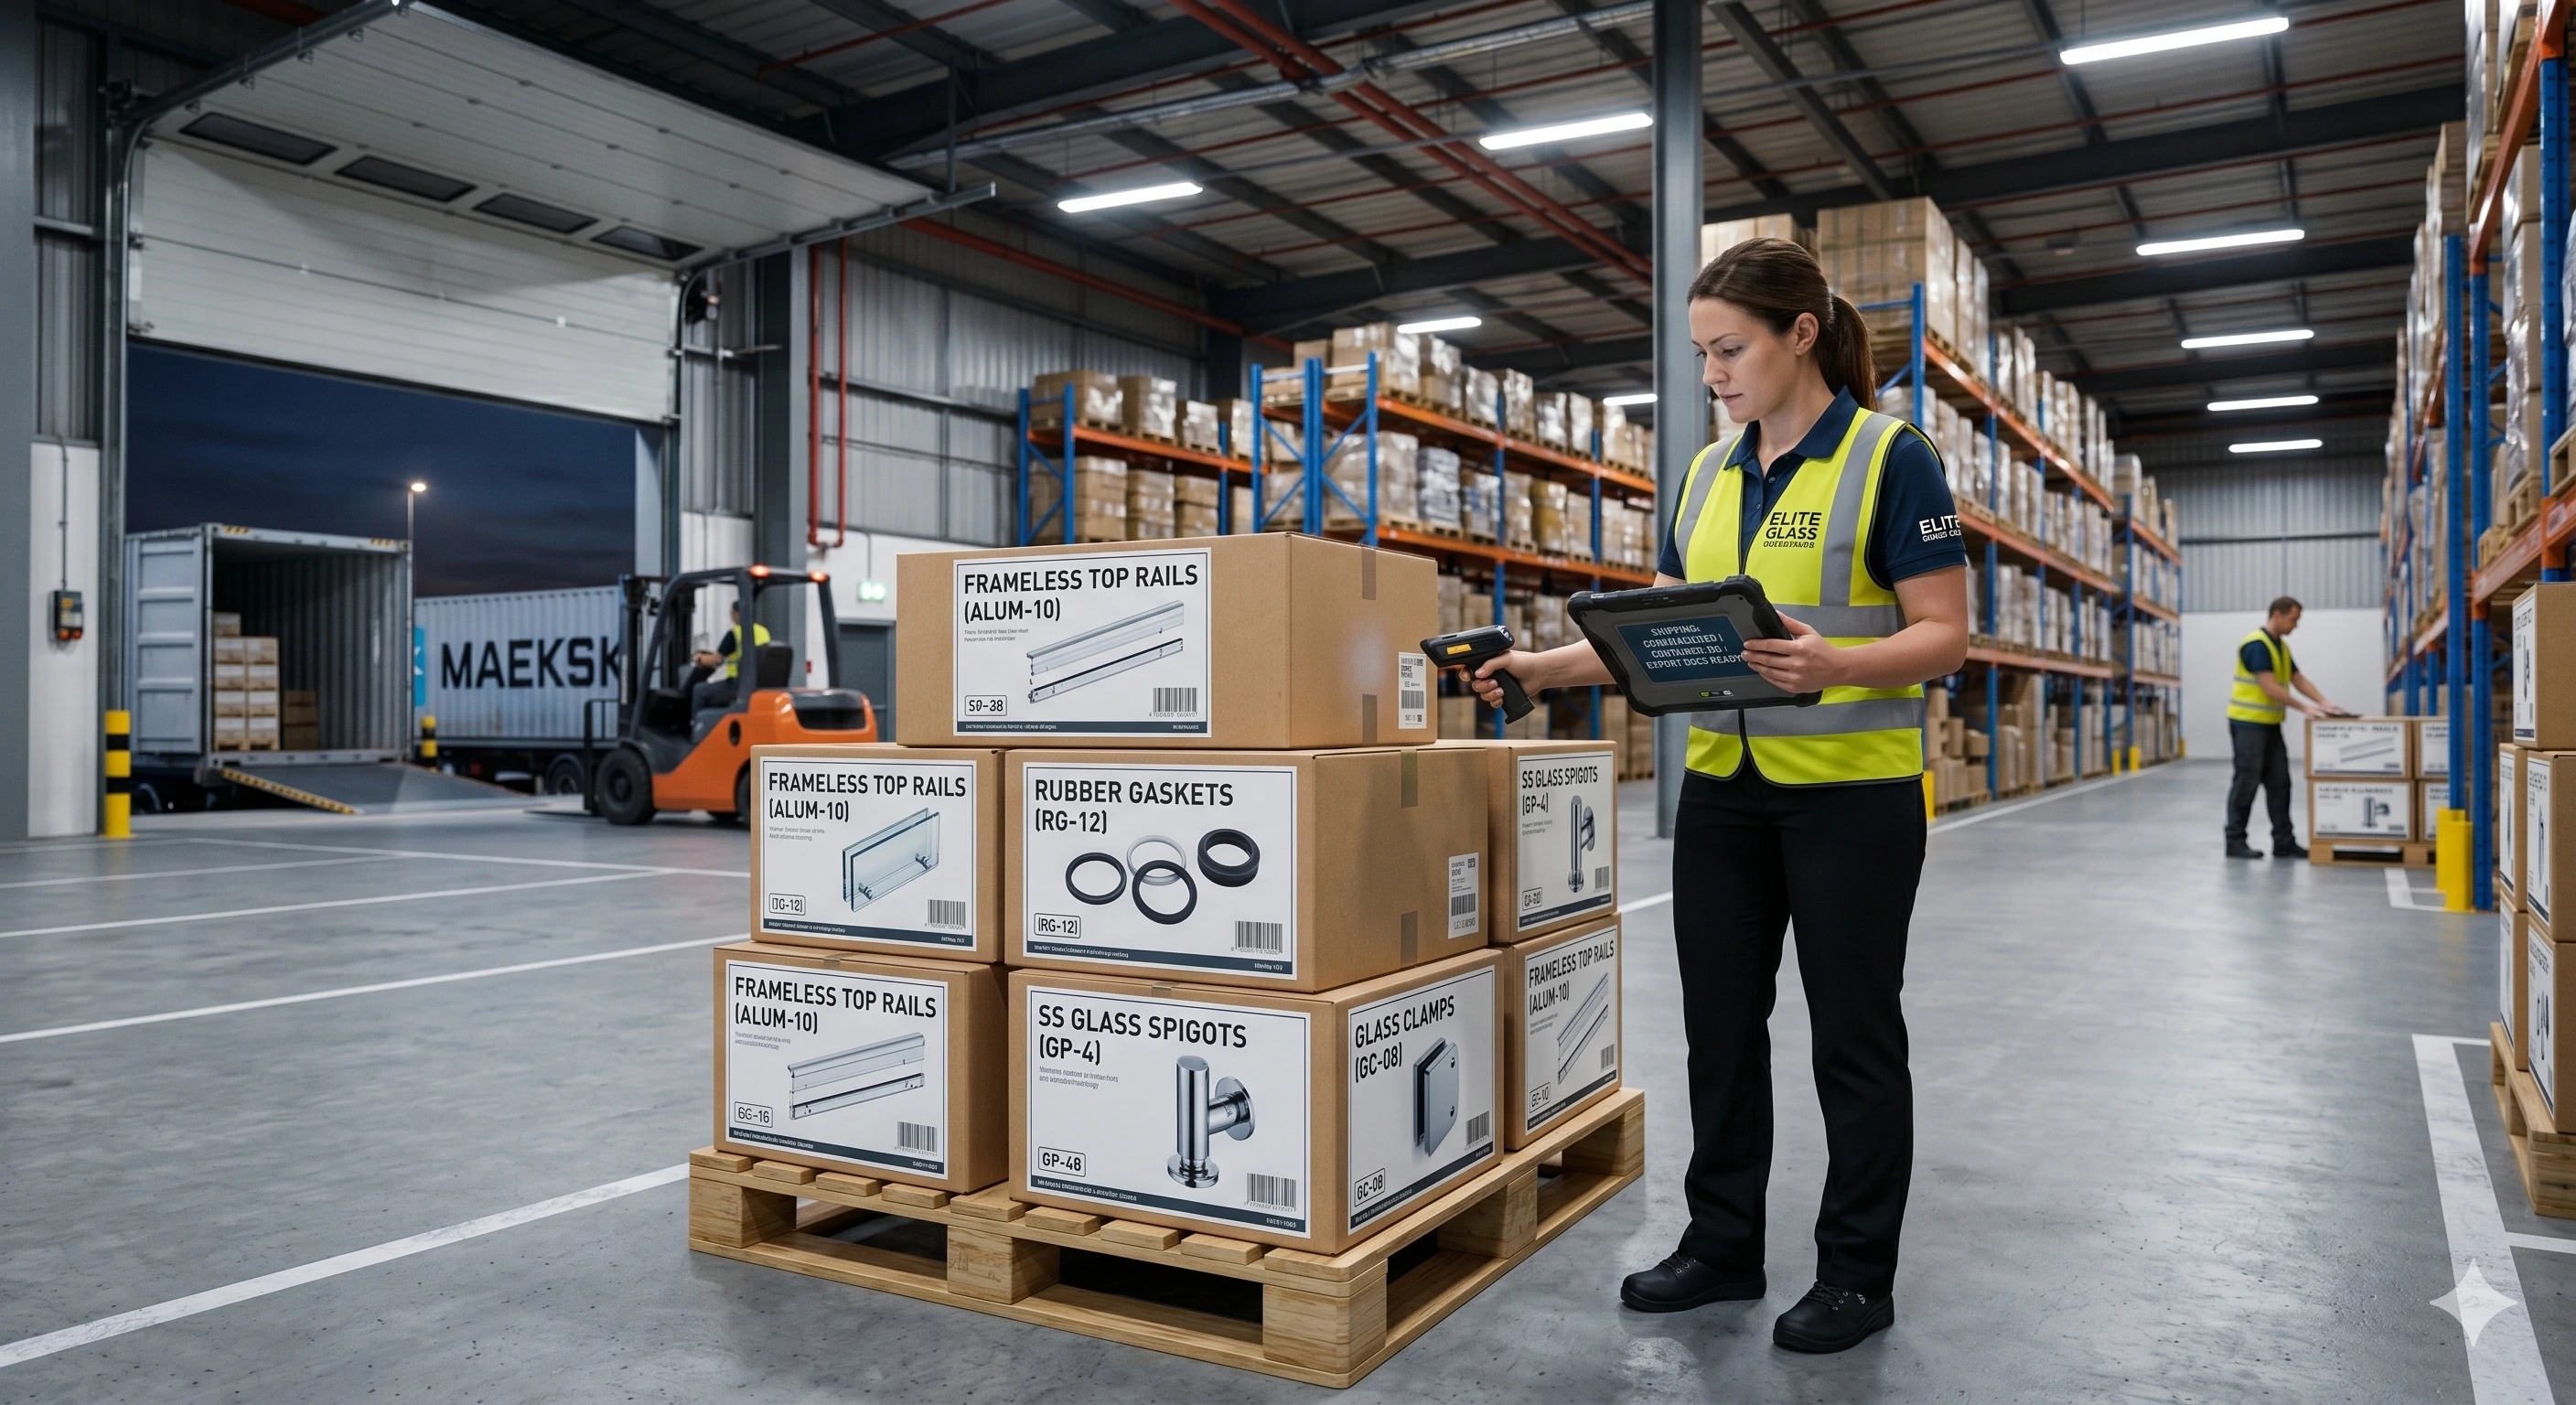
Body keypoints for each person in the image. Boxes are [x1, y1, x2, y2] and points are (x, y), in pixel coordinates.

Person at [1444, 238, 1968, 1354]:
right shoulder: (1702, 474)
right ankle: (1721, 1242)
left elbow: (1941, 633)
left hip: (1850, 797)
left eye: (1729, 349)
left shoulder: (1888, 458)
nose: (1714, 373)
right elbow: (1671, 631)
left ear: (1800, 336)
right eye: (1699, 356)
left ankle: (1854, 1274)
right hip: (1721, 798)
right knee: (1719, 1033)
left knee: (1852, 1043)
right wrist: (1542, 667)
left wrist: (1835, 665)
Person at [2226, 595, 2351, 859]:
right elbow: (2269, 687)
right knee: (2246, 783)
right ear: (2277, 615)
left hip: (2270, 726)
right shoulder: (2256, 646)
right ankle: (2235, 841)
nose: (2296, 625)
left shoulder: (2280, 647)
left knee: (2280, 783)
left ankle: (2284, 842)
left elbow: (2298, 679)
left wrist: (2324, 703)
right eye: (2294, 619)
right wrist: (2305, 708)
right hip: (2248, 725)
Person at [689, 602, 771, 716]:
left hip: (737, 685)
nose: (731, 616)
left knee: (699, 690)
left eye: (731, 613)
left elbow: (715, 660)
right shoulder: (763, 631)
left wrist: (699, 658)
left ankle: (695, 727)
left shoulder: (735, 633)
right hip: (758, 684)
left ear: (736, 613)